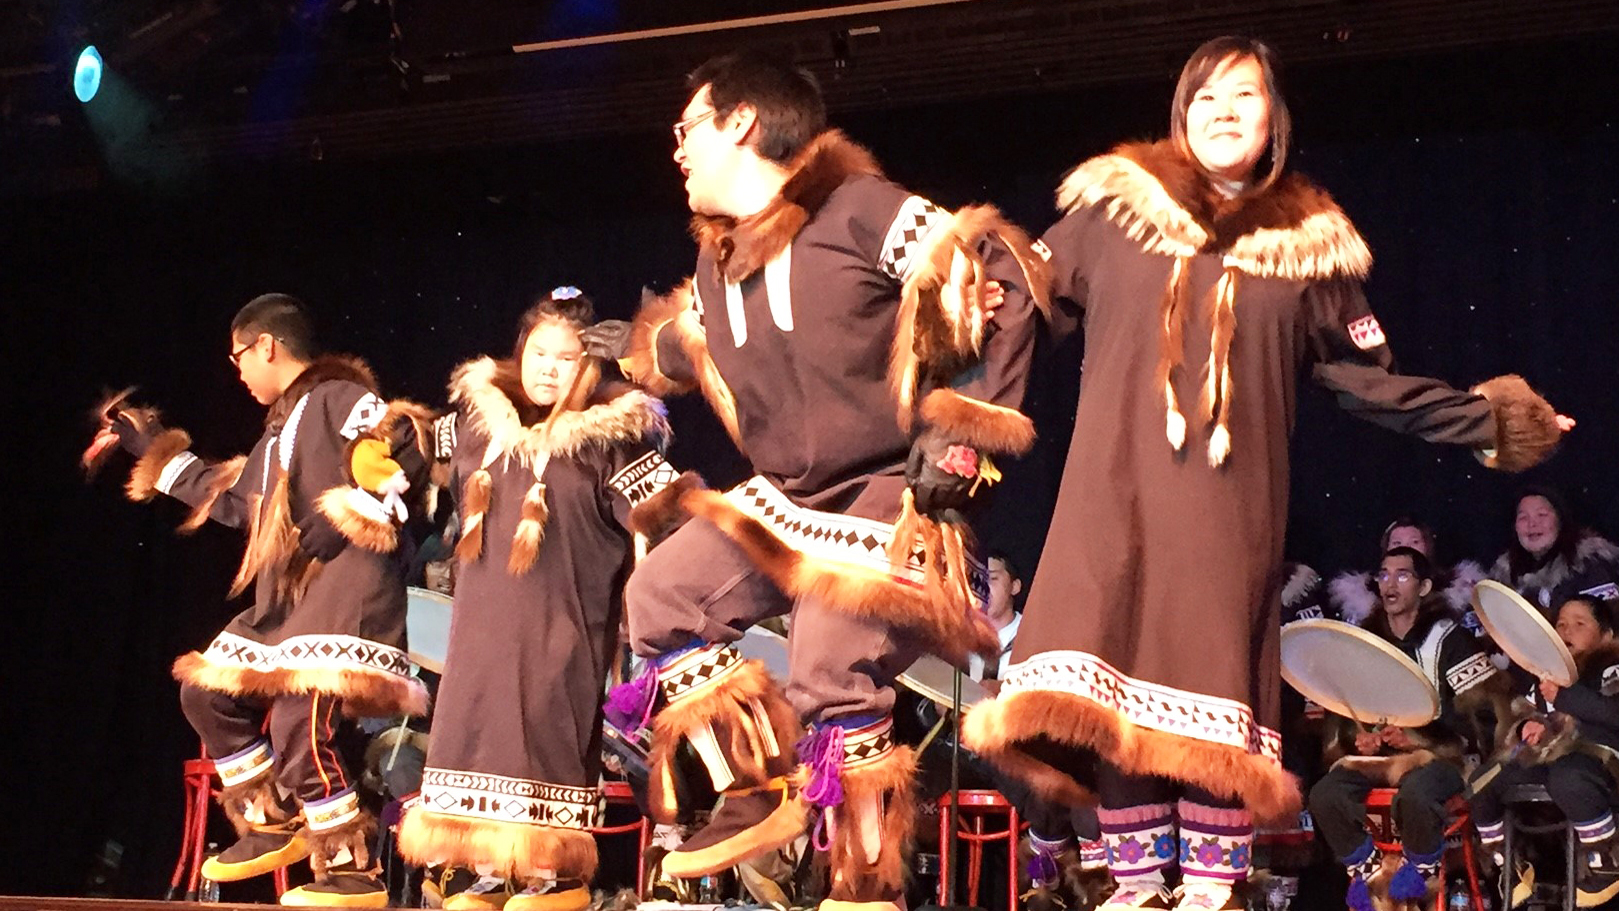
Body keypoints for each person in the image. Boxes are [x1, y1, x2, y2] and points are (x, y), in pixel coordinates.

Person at [962, 35, 1568, 911]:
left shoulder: (1306, 248)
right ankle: (1133, 886)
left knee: (1204, 687)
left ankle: (1210, 887)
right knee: (1111, 680)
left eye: (1241, 96)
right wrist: (959, 313)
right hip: (1112, 493)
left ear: (1272, 119)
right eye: (1204, 96)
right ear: (1179, 113)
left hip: (1225, 504)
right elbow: (1018, 297)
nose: (1221, 111)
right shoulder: (1111, 211)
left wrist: (1495, 421)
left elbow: (1369, 383)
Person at [593, 50, 1045, 911]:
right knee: (659, 595)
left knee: (831, 657)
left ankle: (867, 886)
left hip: (889, 492)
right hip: (786, 496)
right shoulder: (715, 264)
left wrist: (962, 433)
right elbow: (691, 344)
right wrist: (632, 352)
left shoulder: (857, 209)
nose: (676, 148)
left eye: (686, 128)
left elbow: (1001, 272)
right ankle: (758, 787)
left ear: (740, 123)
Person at [100, 293, 430, 907]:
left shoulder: (336, 397)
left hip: (346, 593)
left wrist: (356, 506)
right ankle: (270, 814)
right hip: (292, 605)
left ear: (267, 345)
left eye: (238, 357)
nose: (238, 371)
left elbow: (403, 439)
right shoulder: (285, 423)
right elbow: (235, 498)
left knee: (298, 722)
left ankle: (352, 869)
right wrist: (152, 453)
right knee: (204, 690)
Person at [396, 288, 681, 911]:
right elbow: (403, 457)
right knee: (476, 726)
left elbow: (667, 519)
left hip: (564, 620)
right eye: (539, 352)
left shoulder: (612, 436)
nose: (548, 368)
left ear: (589, 366)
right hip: (481, 623)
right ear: (519, 351)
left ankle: (555, 875)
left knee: (545, 727)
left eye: (566, 357)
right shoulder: (477, 422)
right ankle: (494, 869)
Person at [1308, 548, 1506, 911]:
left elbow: (1482, 717)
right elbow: (1351, 716)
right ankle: (1368, 875)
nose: (1389, 584)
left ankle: (1418, 876)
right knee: (1324, 794)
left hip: (1444, 758)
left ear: (1425, 585)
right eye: (1383, 575)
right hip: (1383, 761)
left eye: (1402, 575)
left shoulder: (1449, 639)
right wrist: (1362, 739)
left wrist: (1418, 737)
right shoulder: (1366, 641)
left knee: (1416, 794)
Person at [1470, 594, 1619, 909]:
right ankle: (1508, 862)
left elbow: (1612, 714)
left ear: (1606, 634)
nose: (1566, 631)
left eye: (1579, 624)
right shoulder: (1544, 673)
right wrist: (1528, 725)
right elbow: (1528, 715)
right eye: (1561, 624)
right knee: (1483, 781)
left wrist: (1565, 697)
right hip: (1550, 760)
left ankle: (1607, 858)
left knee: (1570, 776)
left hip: (1600, 759)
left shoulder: (1611, 667)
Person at [1328, 516, 1486, 625]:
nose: (1405, 547)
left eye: (1414, 542)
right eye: (1397, 543)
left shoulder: (1460, 592)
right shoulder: (1364, 601)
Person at [1488, 487, 1619, 616]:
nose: (1532, 524)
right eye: (1523, 517)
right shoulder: (1502, 575)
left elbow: (1607, 622)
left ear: (1560, 520)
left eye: (1542, 515)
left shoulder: (1589, 564)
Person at [969, 552, 1025, 684]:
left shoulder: (1029, 633)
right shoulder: (963, 636)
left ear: (1015, 586)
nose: (982, 587)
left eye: (992, 578)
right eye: (978, 578)